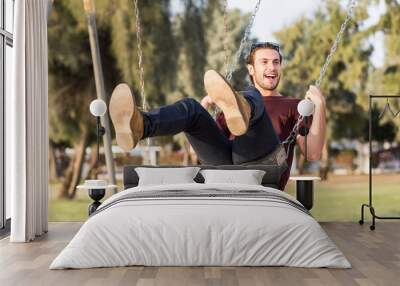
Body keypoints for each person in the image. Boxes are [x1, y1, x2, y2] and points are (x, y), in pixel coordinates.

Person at [109, 42, 326, 190]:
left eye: (276, 62)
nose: (272, 67)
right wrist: (203, 116)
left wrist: (320, 105)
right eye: (264, 62)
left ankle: (249, 109)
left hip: (266, 172)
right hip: (226, 169)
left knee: (251, 95)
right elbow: (213, 149)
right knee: (191, 108)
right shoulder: (230, 108)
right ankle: (140, 125)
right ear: (251, 68)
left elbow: (313, 152)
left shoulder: (294, 106)